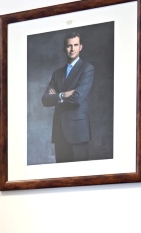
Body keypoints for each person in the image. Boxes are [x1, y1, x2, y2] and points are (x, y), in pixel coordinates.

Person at [40, 31, 95, 163]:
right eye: (69, 45)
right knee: (62, 177)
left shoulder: (87, 69)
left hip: (78, 132)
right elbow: (45, 99)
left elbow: (77, 98)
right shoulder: (57, 73)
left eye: (75, 45)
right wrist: (63, 94)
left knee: (80, 177)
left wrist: (56, 97)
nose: (72, 48)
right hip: (59, 131)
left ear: (80, 47)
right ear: (64, 48)